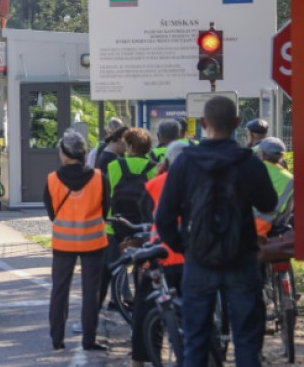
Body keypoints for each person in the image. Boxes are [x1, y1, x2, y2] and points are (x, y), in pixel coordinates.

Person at [155, 96, 276, 367]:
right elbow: (268, 204)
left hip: (199, 261)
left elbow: (163, 218)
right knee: (246, 340)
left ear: (202, 123)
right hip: (242, 259)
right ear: (236, 123)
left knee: (195, 340)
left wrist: (186, 246)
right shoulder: (249, 161)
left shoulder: (185, 163)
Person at [45, 129, 110, 352]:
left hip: (63, 244)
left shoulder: (52, 180)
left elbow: (52, 213)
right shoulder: (100, 178)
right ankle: (89, 339)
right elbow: (105, 211)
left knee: (59, 291)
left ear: (64, 154)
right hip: (93, 243)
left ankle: (57, 339)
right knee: (91, 292)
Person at [130, 140, 189, 367]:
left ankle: (140, 360)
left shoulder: (156, 183)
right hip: (195, 258)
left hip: (163, 256)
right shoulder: (203, 181)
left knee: (145, 309)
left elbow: (146, 215)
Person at [99, 127, 155, 307]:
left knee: (111, 267)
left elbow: (106, 196)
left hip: (115, 225)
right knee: (143, 267)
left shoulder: (114, 166)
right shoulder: (154, 169)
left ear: (130, 146)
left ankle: (113, 301)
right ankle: (141, 302)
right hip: (144, 227)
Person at [253, 137, 294, 238]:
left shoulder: (253, 169)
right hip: (268, 231)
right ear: (283, 156)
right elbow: (287, 211)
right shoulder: (291, 180)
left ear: (262, 154)